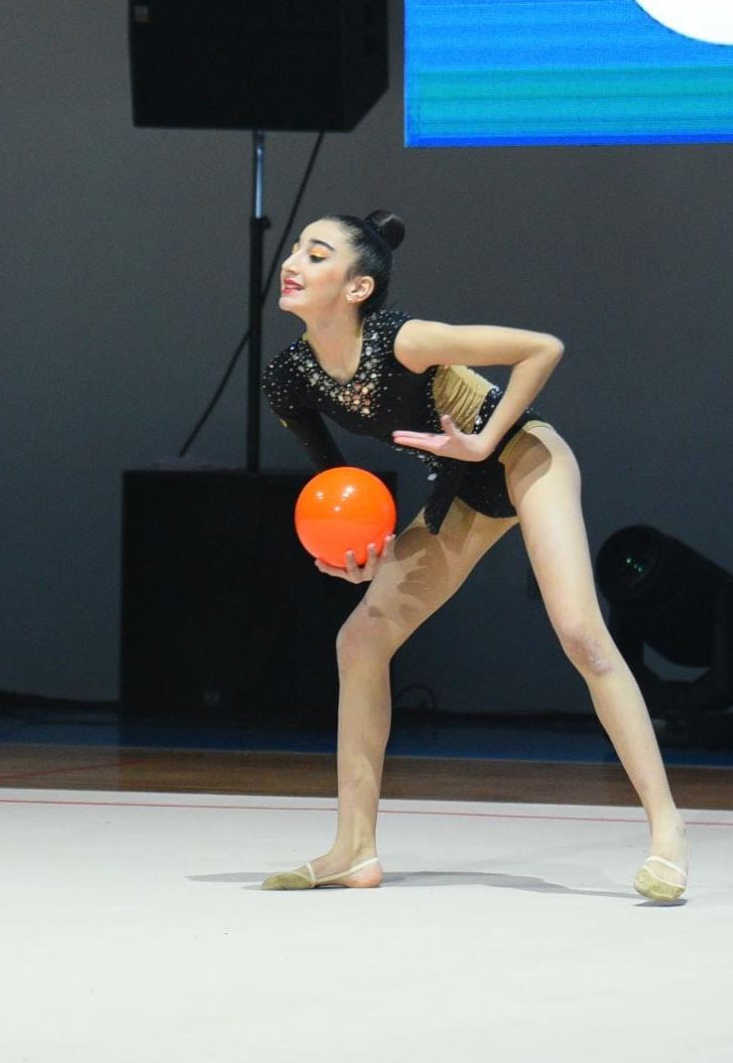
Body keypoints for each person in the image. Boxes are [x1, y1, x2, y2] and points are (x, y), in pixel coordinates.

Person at [259, 209, 688, 902]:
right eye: (296, 251)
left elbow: (541, 348)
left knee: (580, 632)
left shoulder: (406, 338)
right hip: (460, 487)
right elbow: (339, 486)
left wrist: (485, 442)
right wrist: (357, 556)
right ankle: (352, 849)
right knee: (360, 640)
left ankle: (668, 833)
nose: (294, 263)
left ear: (358, 287)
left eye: (316, 253)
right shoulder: (289, 378)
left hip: (523, 454)